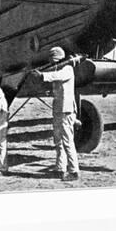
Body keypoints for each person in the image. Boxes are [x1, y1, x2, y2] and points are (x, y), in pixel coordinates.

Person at [29, 46, 80, 181]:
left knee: (67, 141)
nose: (52, 63)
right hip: (58, 110)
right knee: (58, 141)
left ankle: (74, 171)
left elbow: (56, 77)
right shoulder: (60, 69)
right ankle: (60, 168)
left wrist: (42, 75)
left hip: (66, 110)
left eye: (53, 60)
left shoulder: (67, 69)